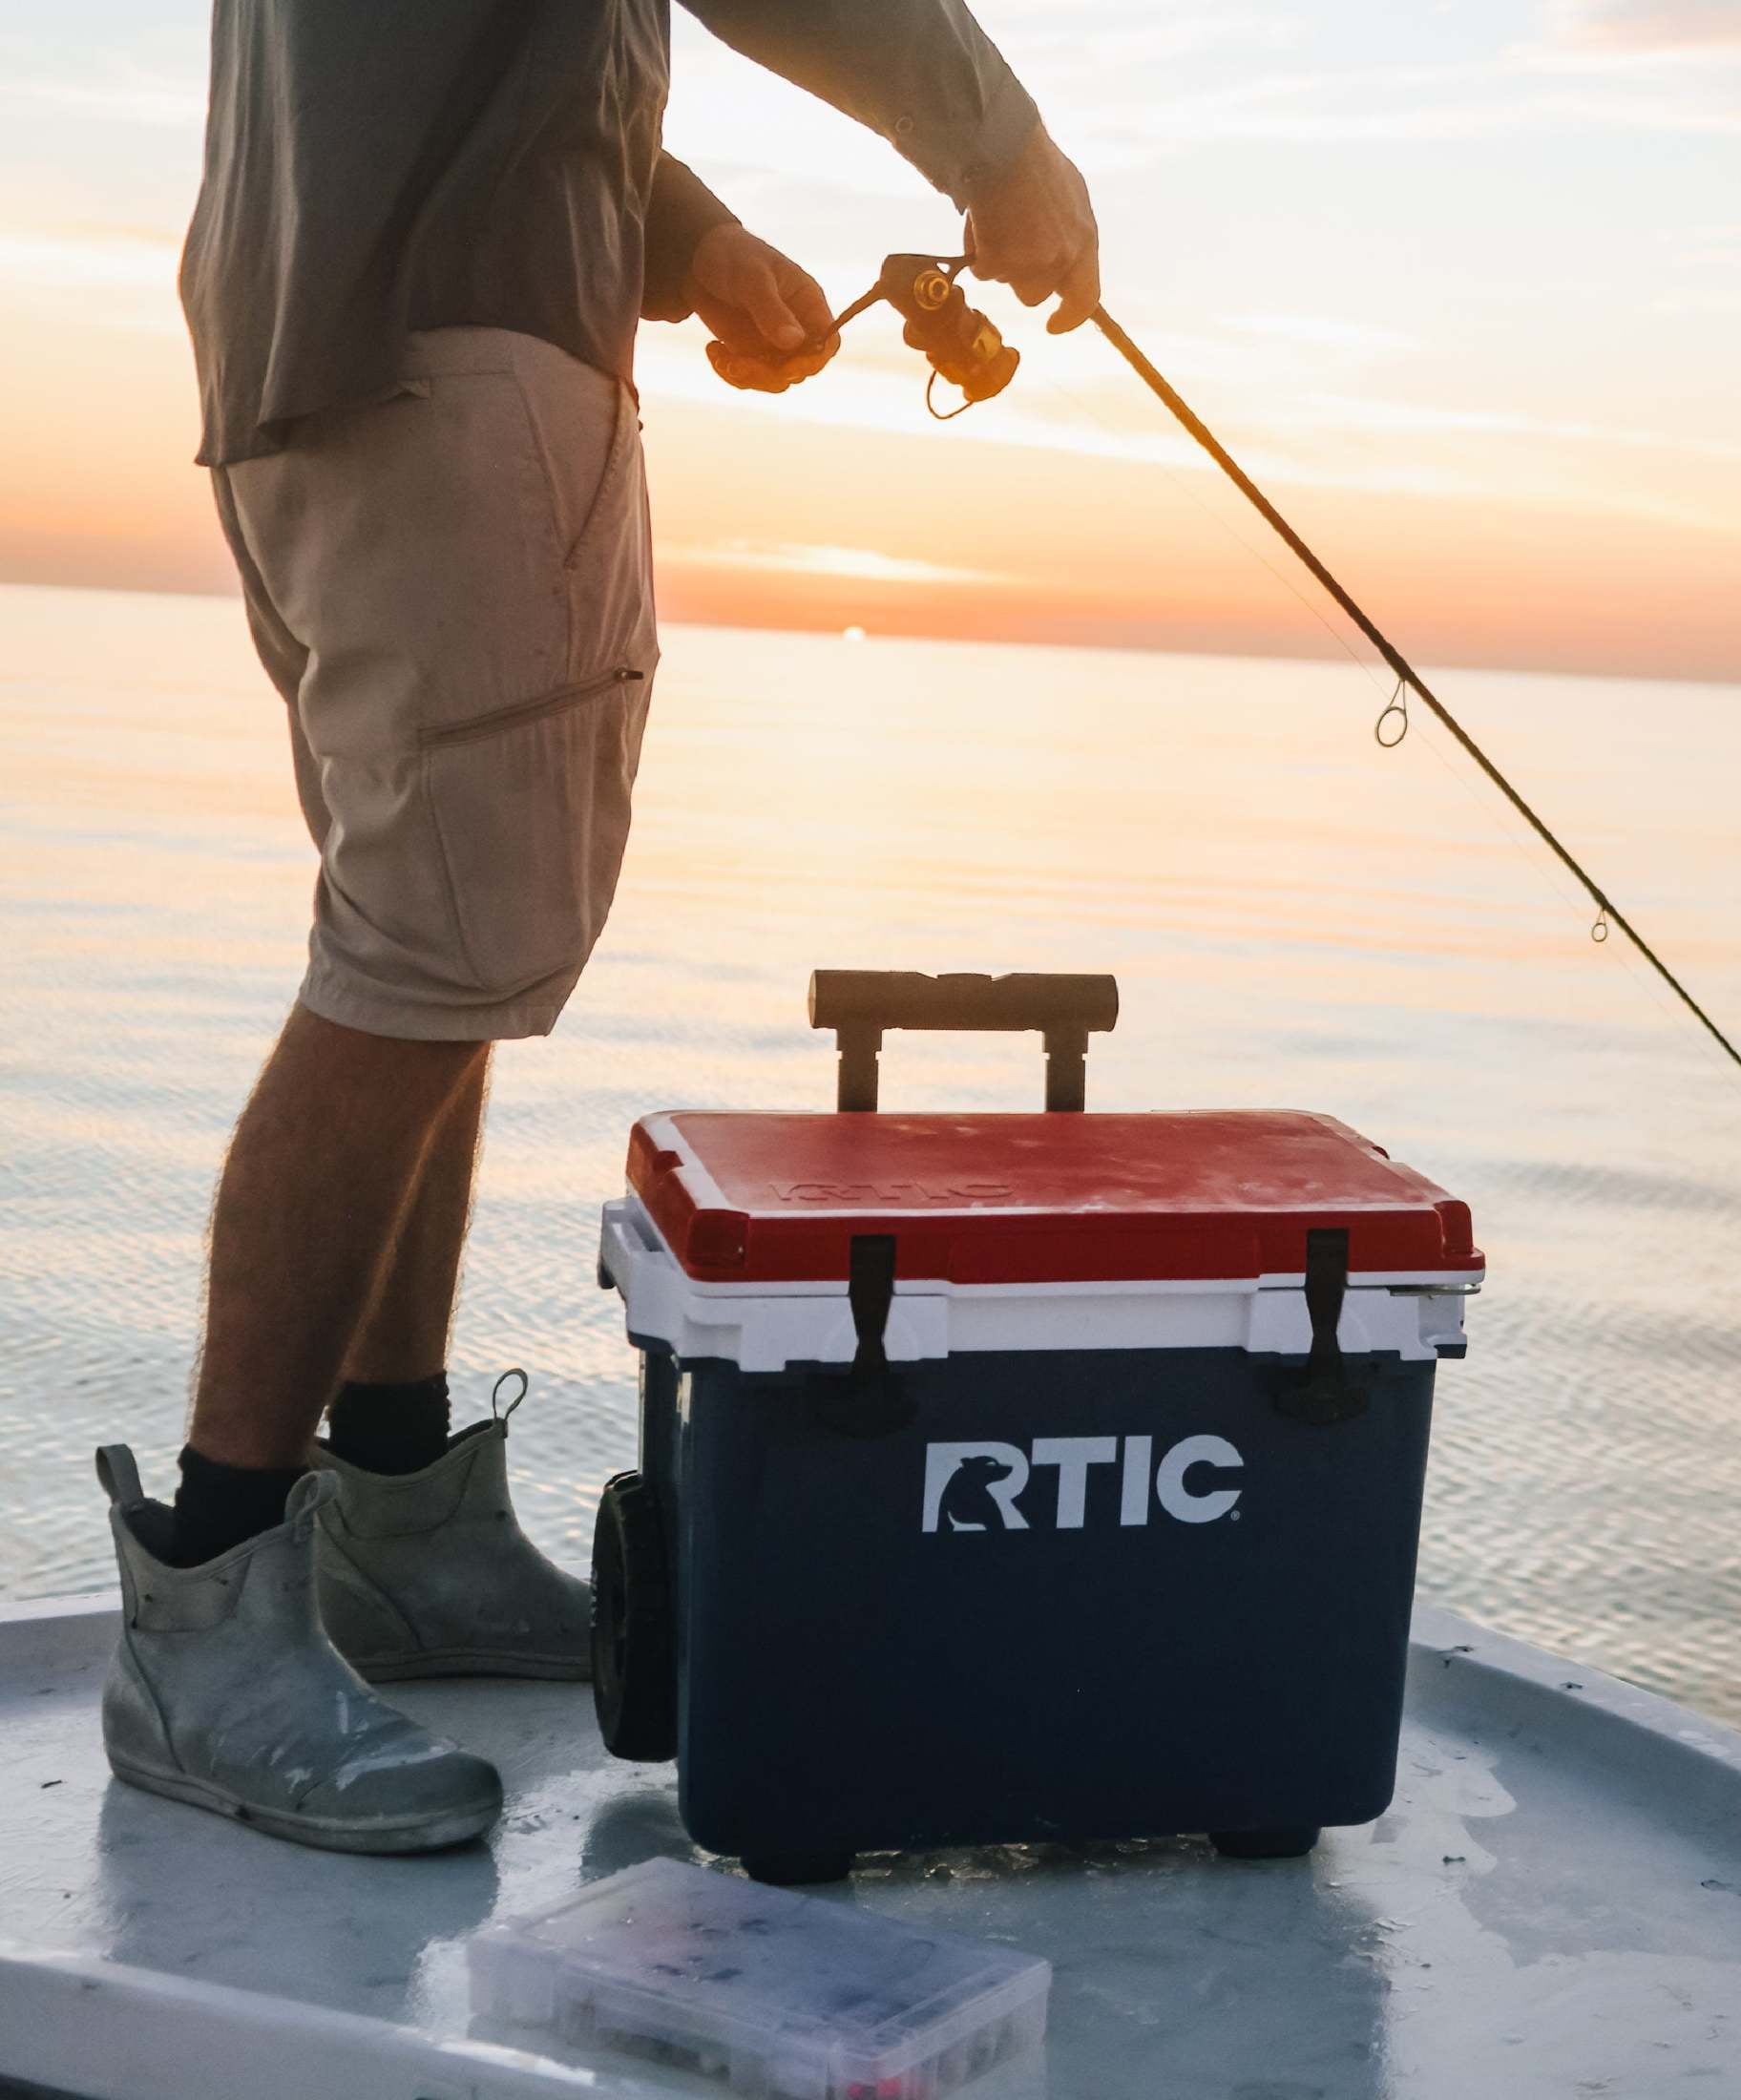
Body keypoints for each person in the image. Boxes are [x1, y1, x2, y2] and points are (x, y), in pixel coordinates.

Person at [94, 0, 1100, 1856]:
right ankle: (209, 1598)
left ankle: (396, 1512)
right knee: (419, 958)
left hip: (322, 345)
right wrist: (995, 143)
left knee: (441, 947)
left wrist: (692, 242)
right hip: (450, 365)